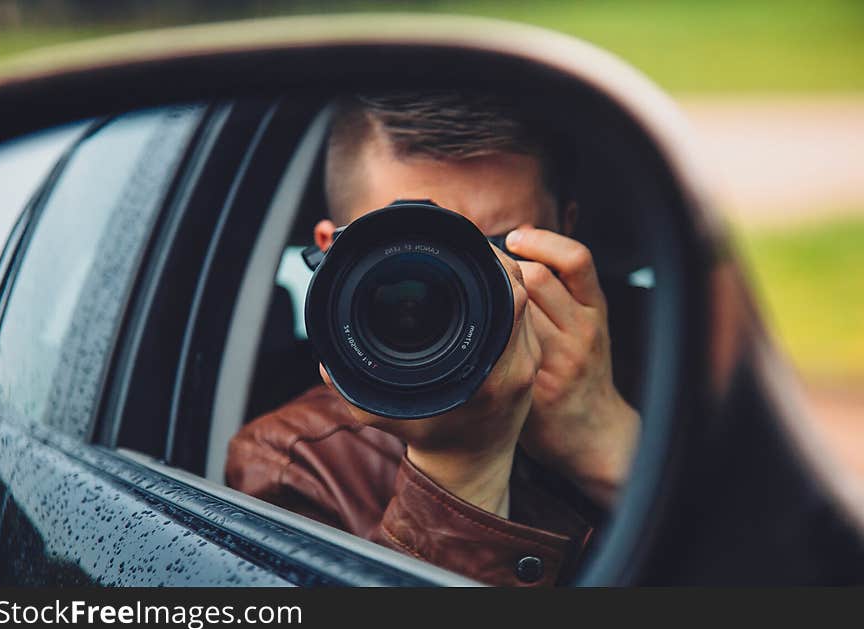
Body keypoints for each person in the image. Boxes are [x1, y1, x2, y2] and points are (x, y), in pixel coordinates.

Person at [225, 91, 641, 586]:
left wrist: (605, 442)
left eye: (498, 251)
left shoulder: (674, 371)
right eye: (401, 256)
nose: (451, 294)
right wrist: (461, 468)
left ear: (566, 235)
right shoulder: (297, 463)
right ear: (330, 254)